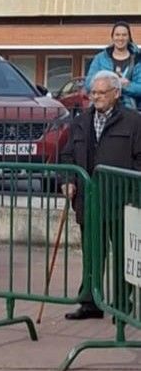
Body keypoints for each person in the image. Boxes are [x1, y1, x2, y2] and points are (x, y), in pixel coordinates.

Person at [60, 70, 141, 319]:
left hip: (120, 199)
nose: (96, 97)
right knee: (92, 254)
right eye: (93, 92)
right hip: (89, 200)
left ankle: (122, 304)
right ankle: (90, 302)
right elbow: (67, 155)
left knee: (122, 255)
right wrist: (67, 180)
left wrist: (134, 194)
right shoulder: (81, 121)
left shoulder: (133, 121)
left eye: (102, 93)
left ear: (116, 93)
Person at [84, 22, 141, 110]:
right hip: (102, 108)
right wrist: (111, 83)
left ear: (129, 37)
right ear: (112, 37)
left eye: (124, 35)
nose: (120, 38)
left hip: (130, 110)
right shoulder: (100, 58)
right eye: (117, 35)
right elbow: (88, 84)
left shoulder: (138, 60)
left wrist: (127, 86)